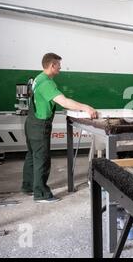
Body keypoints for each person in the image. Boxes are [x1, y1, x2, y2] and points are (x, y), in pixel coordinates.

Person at [22, 53, 98, 203]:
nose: (60, 68)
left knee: (32, 156)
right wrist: (85, 108)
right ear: (52, 65)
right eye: (58, 65)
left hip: (31, 122)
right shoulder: (47, 83)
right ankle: (41, 194)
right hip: (39, 126)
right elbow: (63, 101)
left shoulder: (39, 78)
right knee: (42, 159)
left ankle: (29, 186)